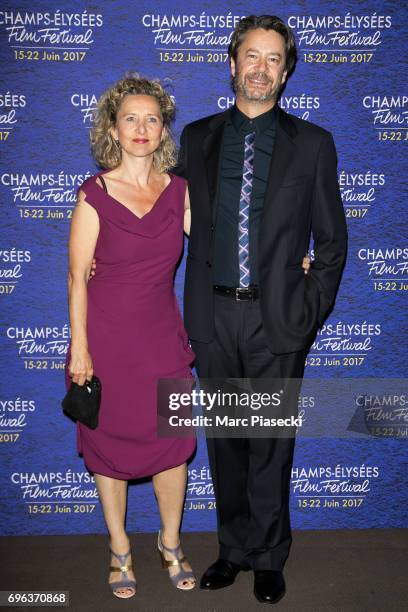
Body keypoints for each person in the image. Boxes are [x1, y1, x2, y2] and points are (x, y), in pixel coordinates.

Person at [174, 14, 348, 605]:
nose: (261, 69)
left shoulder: (313, 144)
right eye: (252, 55)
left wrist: (308, 309)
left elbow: (331, 242)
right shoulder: (197, 139)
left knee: (271, 443)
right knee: (226, 440)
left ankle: (270, 555)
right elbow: (167, 215)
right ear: (232, 63)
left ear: (286, 71)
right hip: (212, 316)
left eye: (274, 59)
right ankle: (233, 550)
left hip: (277, 320)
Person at [64, 75, 197, 598]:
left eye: (152, 118)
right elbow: (77, 278)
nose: (141, 128)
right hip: (107, 346)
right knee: (110, 449)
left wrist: (288, 261)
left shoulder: (182, 192)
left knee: (173, 445)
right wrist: (80, 348)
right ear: (113, 130)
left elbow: (220, 246)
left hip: (164, 341)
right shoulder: (94, 193)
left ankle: (170, 544)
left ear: (164, 129)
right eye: (130, 119)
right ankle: (119, 549)